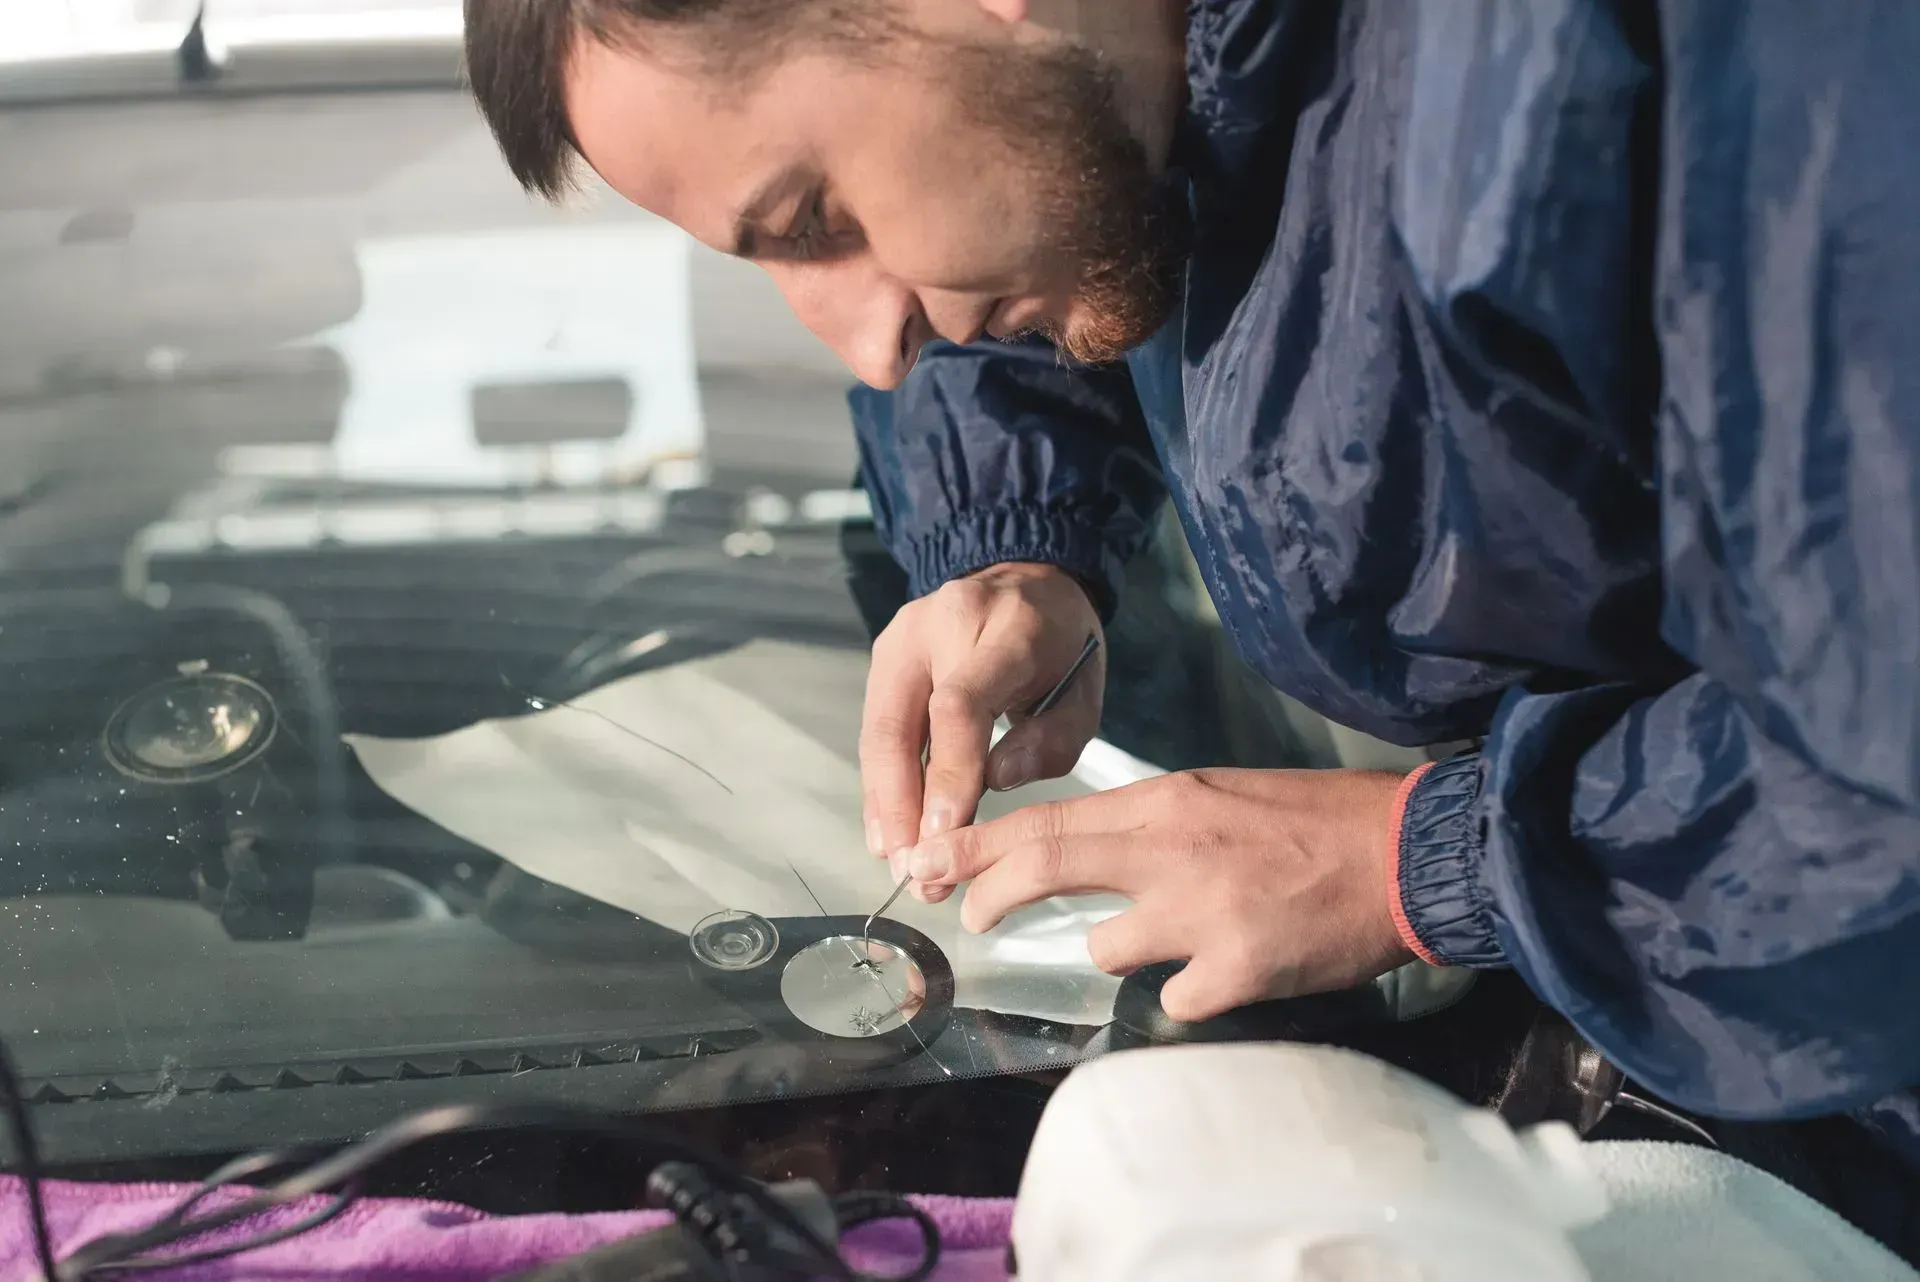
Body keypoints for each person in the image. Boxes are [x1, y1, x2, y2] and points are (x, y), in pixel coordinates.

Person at [462, 0, 1920, 1166]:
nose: (870, 345)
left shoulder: (1737, 63)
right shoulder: (1117, 74)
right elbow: (1091, 155)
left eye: (810, 218)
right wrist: (1013, 538)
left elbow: (1884, 760)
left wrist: (1419, 863)